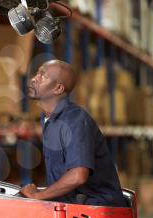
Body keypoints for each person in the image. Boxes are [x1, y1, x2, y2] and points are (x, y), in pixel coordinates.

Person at [20, 60, 126, 207]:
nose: (34, 79)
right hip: (71, 207)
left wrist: (39, 195)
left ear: (58, 89)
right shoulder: (48, 119)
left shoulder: (75, 120)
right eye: (37, 73)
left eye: (43, 76)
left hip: (97, 211)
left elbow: (78, 175)